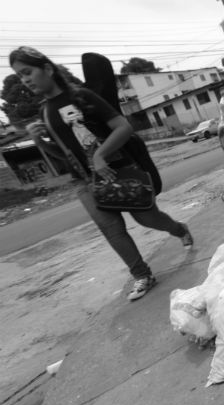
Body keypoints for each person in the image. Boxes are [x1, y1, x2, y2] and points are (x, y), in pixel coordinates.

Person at [10, 46, 193, 302]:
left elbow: (123, 127)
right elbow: (66, 156)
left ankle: (179, 229)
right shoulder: (45, 112)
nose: (25, 80)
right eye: (19, 76)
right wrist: (41, 143)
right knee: (112, 230)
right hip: (85, 182)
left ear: (48, 69)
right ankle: (142, 275)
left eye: (27, 72)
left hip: (119, 171)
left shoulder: (82, 96)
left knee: (147, 219)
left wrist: (100, 155)